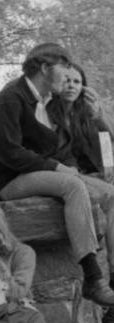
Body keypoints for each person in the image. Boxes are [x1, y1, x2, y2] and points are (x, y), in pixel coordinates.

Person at [0, 42, 114, 305]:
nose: (68, 78)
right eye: (64, 70)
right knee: (72, 185)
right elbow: (10, 153)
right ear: (45, 68)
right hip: (11, 180)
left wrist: (76, 166)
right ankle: (93, 276)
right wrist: (59, 168)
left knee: (110, 194)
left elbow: (62, 148)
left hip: (44, 174)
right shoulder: (9, 99)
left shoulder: (46, 103)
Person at [47, 62, 114, 281]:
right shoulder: (47, 112)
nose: (71, 86)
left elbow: (107, 141)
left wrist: (98, 116)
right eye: (66, 80)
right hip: (65, 175)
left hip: (93, 174)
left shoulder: (85, 111)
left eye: (77, 82)